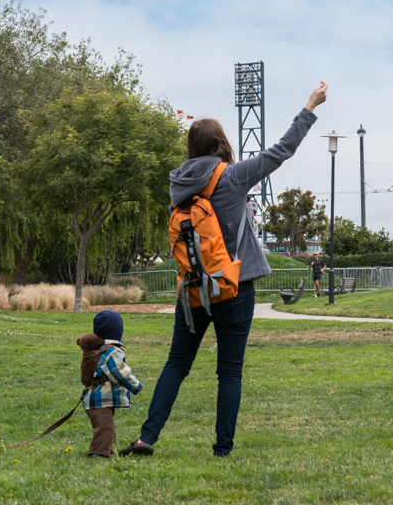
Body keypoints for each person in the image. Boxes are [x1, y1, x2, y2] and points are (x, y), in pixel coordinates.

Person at [121, 81, 328, 458]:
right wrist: (310, 106)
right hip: (235, 286)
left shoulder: (178, 186)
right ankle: (222, 450)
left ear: (191, 148)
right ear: (220, 144)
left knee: (177, 364)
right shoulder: (231, 176)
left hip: (193, 290)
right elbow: (282, 151)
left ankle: (147, 437)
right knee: (229, 371)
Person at [77, 310, 143, 458]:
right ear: (117, 330)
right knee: (105, 428)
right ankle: (97, 453)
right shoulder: (113, 351)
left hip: (98, 398)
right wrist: (135, 385)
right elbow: (119, 371)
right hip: (99, 398)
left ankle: (109, 452)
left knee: (109, 428)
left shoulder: (99, 349)